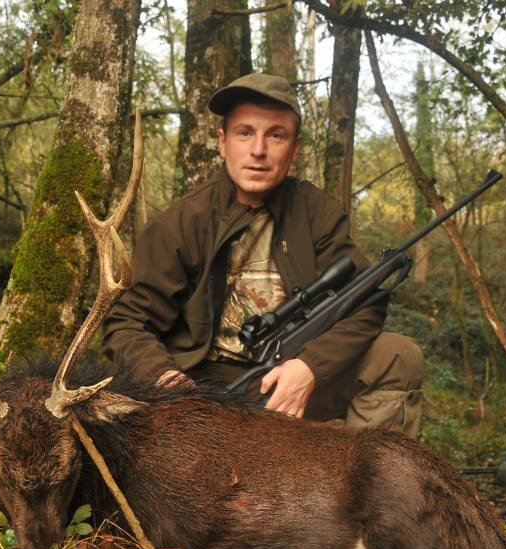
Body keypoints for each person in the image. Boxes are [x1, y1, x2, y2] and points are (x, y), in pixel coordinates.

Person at [101, 73, 423, 436]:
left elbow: (363, 302)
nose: (258, 149)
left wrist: (309, 368)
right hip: (202, 389)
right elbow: (126, 323)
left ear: (294, 148)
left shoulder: (317, 213)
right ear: (223, 143)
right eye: (244, 133)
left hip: (289, 379)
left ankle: (370, 486)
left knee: (398, 356)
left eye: (276, 135)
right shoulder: (180, 224)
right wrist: (165, 379)